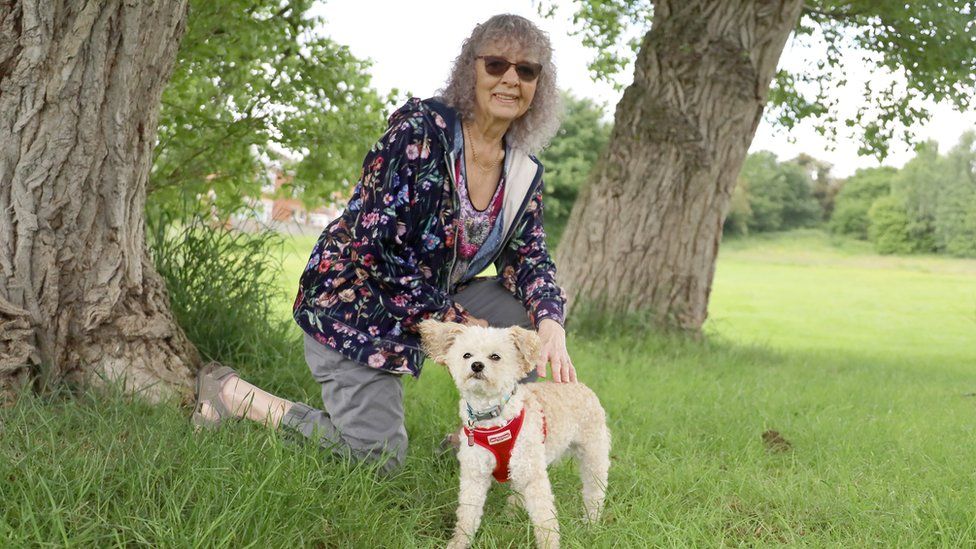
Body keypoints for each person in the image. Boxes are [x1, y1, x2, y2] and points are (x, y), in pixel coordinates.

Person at [191, 14, 574, 473]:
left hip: (429, 303)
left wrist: (551, 322)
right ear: (471, 70)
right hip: (357, 302)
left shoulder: (524, 170)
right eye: (496, 65)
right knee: (377, 462)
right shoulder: (419, 132)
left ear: (538, 85)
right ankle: (237, 396)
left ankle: (476, 435)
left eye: (526, 70)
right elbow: (376, 248)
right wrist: (453, 323)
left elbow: (531, 258)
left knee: (528, 313)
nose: (511, 79)